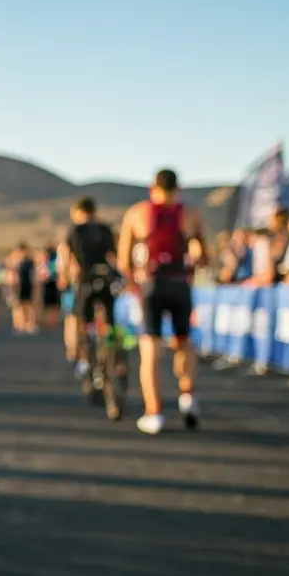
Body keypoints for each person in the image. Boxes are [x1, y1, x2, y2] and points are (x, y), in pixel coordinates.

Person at [117, 168, 206, 435]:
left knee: (150, 349)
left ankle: (154, 412)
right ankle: (187, 394)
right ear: (177, 189)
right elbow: (202, 254)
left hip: (151, 285)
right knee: (183, 341)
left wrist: (133, 286)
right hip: (179, 283)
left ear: (151, 188)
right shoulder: (190, 214)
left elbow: (123, 260)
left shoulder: (136, 213)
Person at [59, 197, 118, 389]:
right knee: (109, 320)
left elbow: (69, 258)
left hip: (85, 280)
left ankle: (84, 359)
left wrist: (65, 277)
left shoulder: (76, 231)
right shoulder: (105, 229)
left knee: (81, 321)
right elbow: (114, 255)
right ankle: (113, 356)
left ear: (78, 212)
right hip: (107, 279)